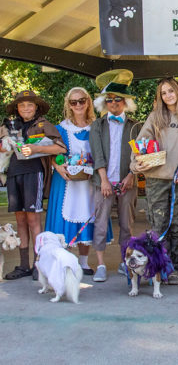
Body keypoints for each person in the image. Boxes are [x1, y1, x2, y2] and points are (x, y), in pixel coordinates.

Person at [131, 77, 178, 285]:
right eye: (163, 93)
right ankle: (160, 267)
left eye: (171, 91)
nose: (168, 95)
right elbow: (139, 145)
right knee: (158, 226)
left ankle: (177, 270)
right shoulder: (155, 117)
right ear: (159, 97)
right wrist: (137, 164)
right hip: (157, 179)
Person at [0, 90, 66, 280]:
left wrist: (37, 148)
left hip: (33, 174)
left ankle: (39, 264)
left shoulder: (43, 125)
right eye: (22, 105)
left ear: (36, 107)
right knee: (20, 220)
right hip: (13, 174)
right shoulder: (9, 125)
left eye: (30, 104)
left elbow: (60, 147)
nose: (26, 108)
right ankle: (23, 265)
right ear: (17, 108)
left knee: (33, 220)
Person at [45, 87, 109, 276]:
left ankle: (84, 262)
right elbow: (49, 153)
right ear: (68, 105)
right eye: (74, 102)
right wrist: (57, 166)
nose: (78, 105)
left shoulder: (97, 127)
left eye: (82, 100)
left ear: (88, 102)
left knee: (88, 216)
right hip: (66, 182)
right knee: (66, 217)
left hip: (89, 182)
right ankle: (67, 262)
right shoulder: (59, 129)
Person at [90, 70, 139, 282]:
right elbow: (97, 154)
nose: (114, 103)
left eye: (118, 99)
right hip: (103, 182)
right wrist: (104, 181)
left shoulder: (136, 126)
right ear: (104, 103)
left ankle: (124, 261)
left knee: (127, 225)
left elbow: (140, 154)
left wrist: (131, 176)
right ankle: (100, 264)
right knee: (100, 222)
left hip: (128, 182)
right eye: (109, 100)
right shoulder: (97, 125)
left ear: (126, 102)